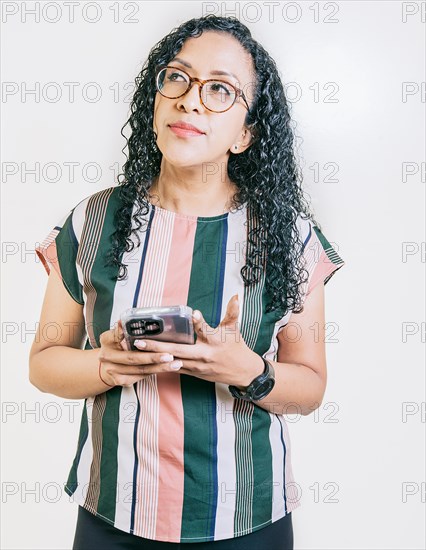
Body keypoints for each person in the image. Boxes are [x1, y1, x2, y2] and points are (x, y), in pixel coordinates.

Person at [29, 14, 345, 550]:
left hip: (246, 519)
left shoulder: (287, 236)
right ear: (154, 103)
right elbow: (43, 363)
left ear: (246, 134)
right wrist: (105, 364)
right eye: (177, 77)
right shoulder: (94, 220)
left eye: (220, 89)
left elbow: (310, 386)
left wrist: (246, 369)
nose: (191, 100)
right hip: (113, 515)